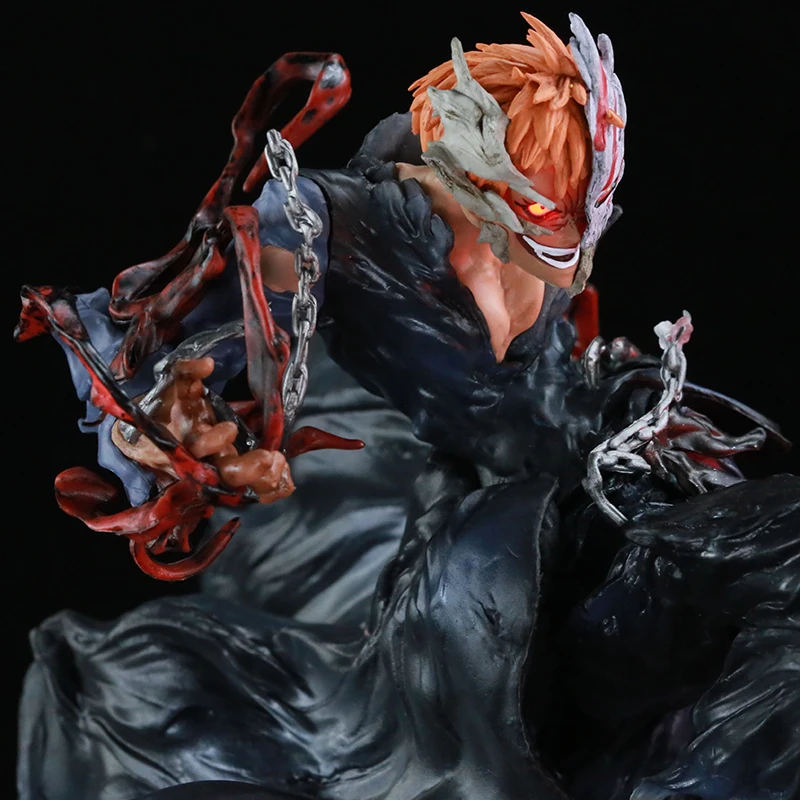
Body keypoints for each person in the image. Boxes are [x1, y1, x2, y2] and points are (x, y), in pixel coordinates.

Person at [16, 11, 799, 800]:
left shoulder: (544, 237)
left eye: (582, 211)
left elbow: (559, 360)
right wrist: (169, 419)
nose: (562, 247)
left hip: (577, 458)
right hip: (425, 497)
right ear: (480, 169)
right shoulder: (341, 226)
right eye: (543, 212)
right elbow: (171, 337)